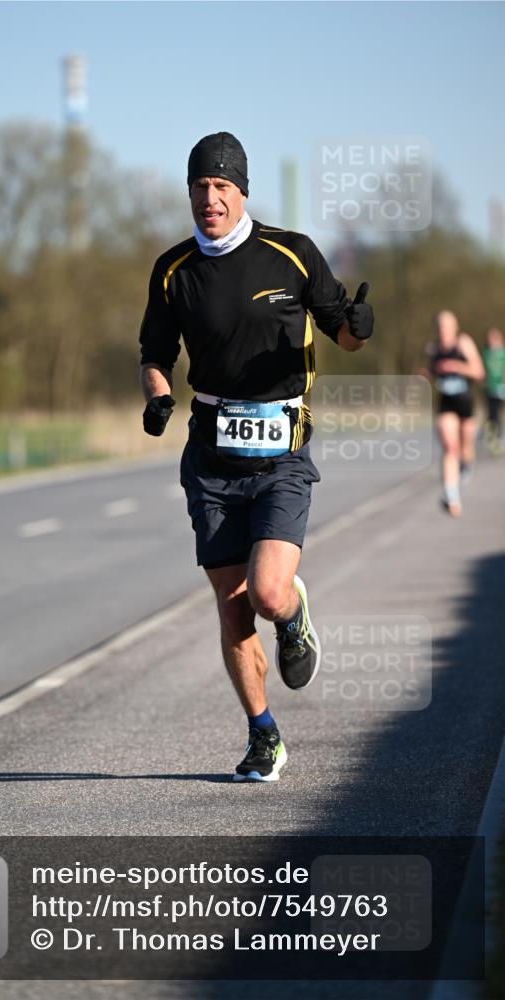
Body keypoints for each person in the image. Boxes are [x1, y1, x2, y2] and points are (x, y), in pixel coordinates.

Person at [139, 132, 373, 782]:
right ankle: (262, 732)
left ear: (241, 191)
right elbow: (154, 356)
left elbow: (343, 336)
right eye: (198, 188)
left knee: (267, 594)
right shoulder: (172, 270)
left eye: (220, 187)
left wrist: (358, 324)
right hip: (211, 460)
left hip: (281, 455)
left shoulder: (291, 256)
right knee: (231, 603)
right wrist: (157, 398)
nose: (208, 199)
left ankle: (294, 618)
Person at [425, 311, 484, 516]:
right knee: (451, 448)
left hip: (466, 403)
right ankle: (451, 496)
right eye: (440, 326)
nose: (443, 330)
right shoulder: (433, 349)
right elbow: (432, 372)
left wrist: (457, 366)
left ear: (455, 327)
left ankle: (466, 466)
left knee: (465, 449)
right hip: (446, 404)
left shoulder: (463, 342)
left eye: (447, 326)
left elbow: (479, 371)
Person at [482, 327, 505, 455]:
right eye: (490, 338)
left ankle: (498, 438)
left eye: (494, 338)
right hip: (490, 389)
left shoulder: (503, 353)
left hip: (502, 389)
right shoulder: (485, 353)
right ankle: (493, 439)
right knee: (492, 415)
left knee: (498, 416)